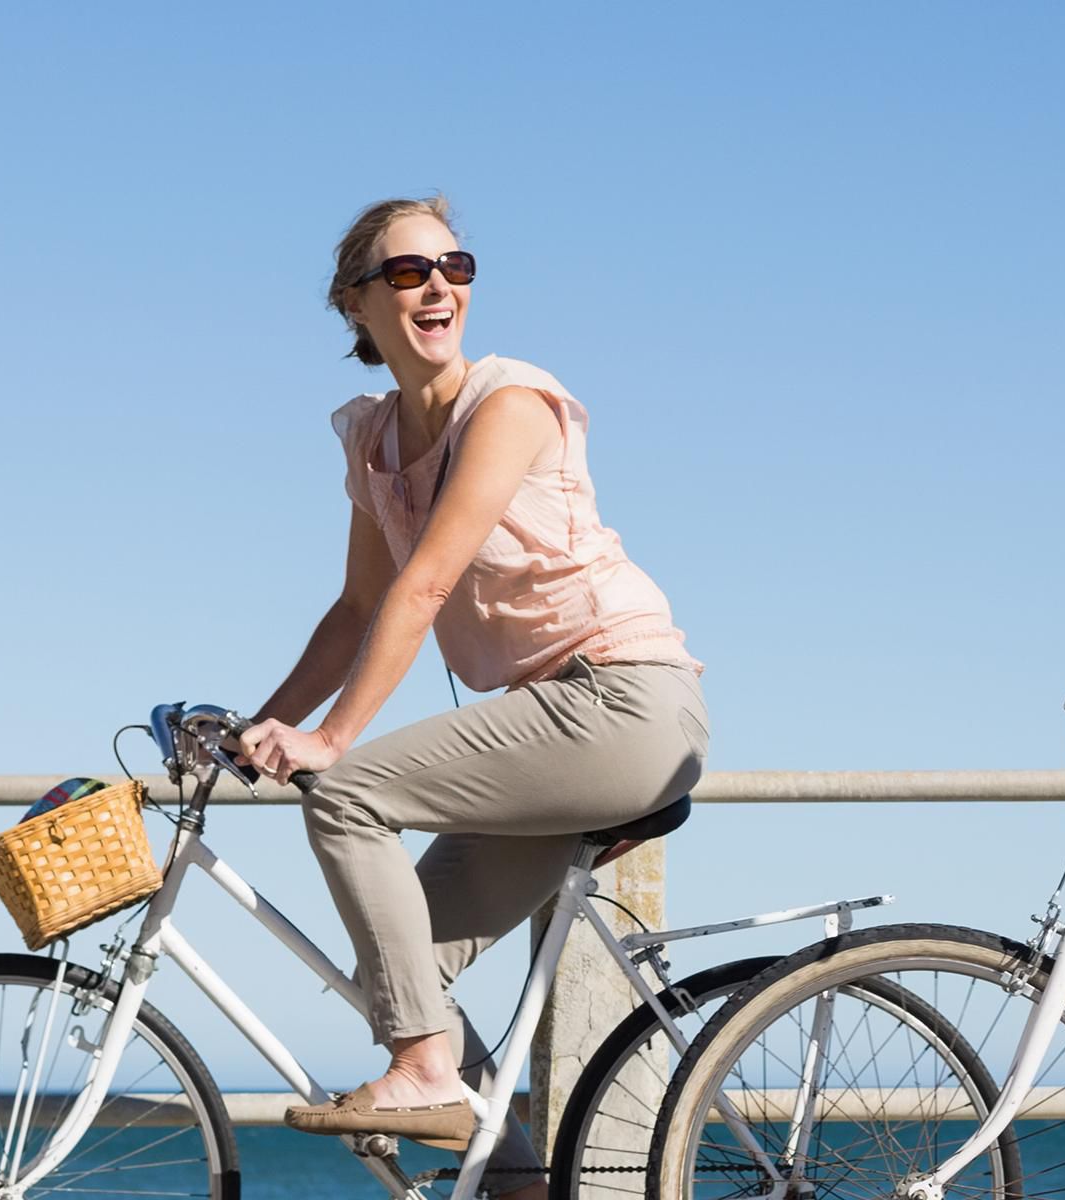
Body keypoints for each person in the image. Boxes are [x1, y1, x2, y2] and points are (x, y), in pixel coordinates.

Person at [232, 196, 708, 1181]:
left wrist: (332, 742)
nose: (439, 285)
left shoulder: (510, 404)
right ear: (355, 305)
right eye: (408, 273)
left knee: (352, 793)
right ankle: (518, 1178)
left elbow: (428, 581)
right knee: (395, 967)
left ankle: (424, 1075)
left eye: (455, 265)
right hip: (550, 727)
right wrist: (267, 722)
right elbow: (359, 604)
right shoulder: (376, 441)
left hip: (623, 701)